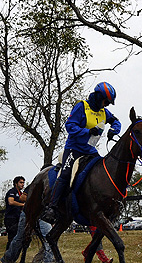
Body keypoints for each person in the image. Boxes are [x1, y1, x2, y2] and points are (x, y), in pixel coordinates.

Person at [41, 82, 121, 224]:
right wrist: (87, 131)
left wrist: (114, 129)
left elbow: (116, 121)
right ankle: (51, 207)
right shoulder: (81, 106)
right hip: (74, 149)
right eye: (106, 101)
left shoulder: (104, 112)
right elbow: (70, 126)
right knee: (66, 174)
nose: (107, 105)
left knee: (102, 172)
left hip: (90, 151)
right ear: (99, 97)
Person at [3, 176, 25, 252]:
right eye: (21, 182)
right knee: (12, 237)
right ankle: (7, 256)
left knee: (18, 238)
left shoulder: (21, 193)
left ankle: (12, 255)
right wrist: (22, 205)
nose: (22, 184)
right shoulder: (12, 192)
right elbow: (11, 202)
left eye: (23, 183)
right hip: (11, 218)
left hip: (18, 218)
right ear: (16, 183)